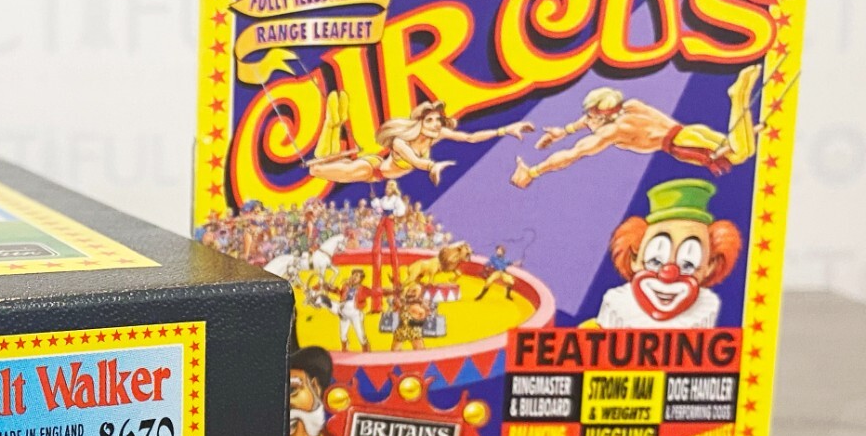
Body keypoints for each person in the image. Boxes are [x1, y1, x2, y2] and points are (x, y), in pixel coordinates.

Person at [512, 65, 760, 188]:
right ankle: (742, 107)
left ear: (602, 114)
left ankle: (738, 96)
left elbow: (573, 154)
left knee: (740, 153)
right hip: (690, 133)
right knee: (742, 148)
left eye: (593, 115)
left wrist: (534, 172)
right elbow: (587, 121)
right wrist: (565, 131)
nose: (588, 120)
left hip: (681, 143)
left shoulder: (613, 131)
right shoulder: (631, 106)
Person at [596, 179, 742, 328]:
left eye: (688, 264)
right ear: (634, 257)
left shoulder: (706, 308)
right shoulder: (616, 304)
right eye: (655, 261)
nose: (668, 274)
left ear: (710, 265)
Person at [310, 99, 534, 186]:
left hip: (378, 174)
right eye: (430, 120)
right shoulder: (400, 142)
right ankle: (331, 124)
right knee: (316, 169)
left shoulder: (437, 134)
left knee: (326, 167)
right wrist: (432, 166)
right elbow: (415, 162)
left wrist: (504, 130)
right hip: (372, 169)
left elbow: (470, 137)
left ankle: (333, 125)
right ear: (419, 122)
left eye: (438, 120)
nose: (436, 124)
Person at [334, 267, 371, 352]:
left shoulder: (363, 289)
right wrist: (330, 288)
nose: (354, 277)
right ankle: (345, 350)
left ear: (361, 279)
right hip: (344, 313)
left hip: (355, 313)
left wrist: (391, 291)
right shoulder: (345, 286)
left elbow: (376, 292)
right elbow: (340, 293)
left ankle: (366, 350)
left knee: (360, 334)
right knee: (343, 335)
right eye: (353, 275)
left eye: (357, 276)